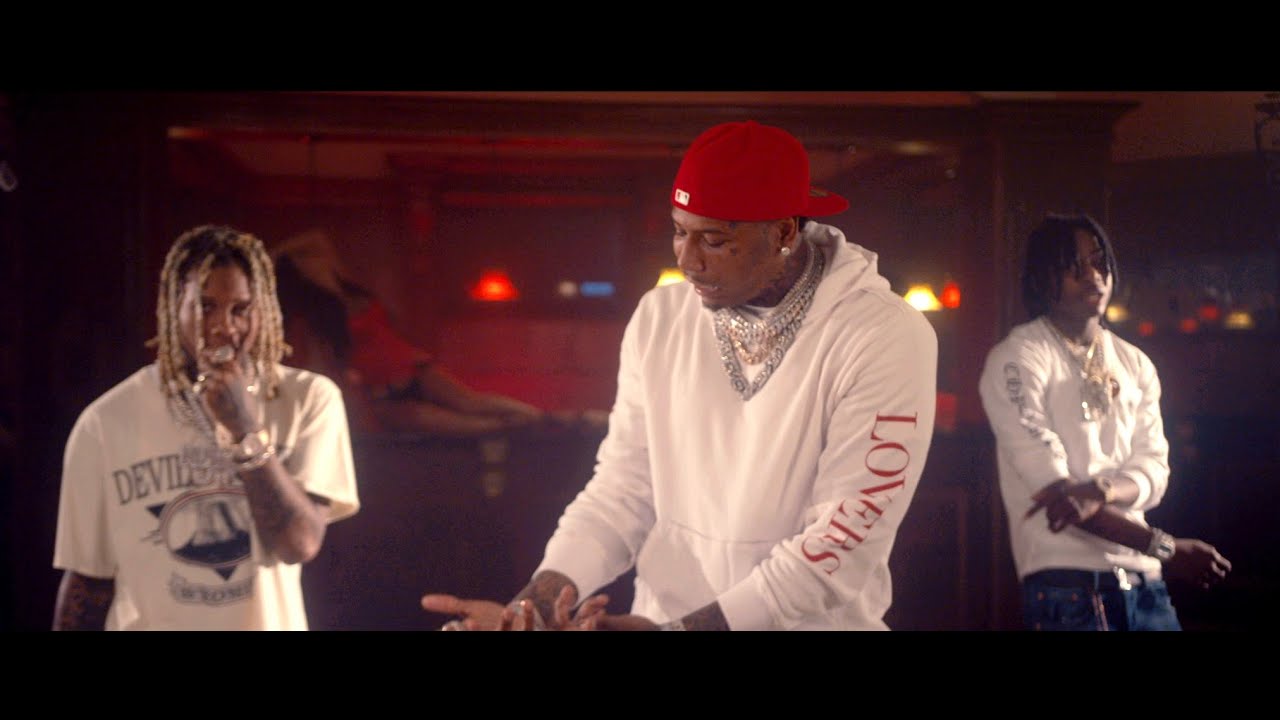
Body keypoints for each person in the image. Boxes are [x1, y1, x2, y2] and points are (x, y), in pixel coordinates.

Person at [422, 119, 939, 631]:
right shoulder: (661, 316)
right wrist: (527, 614)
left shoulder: (884, 334)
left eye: (713, 239)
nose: (688, 262)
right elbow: (623, 489)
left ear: (783, 231)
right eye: (679, 231)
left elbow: (840, 545)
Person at [52, 225, 360, 630]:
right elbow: (87, 585)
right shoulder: (104, 422)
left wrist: (244, 428)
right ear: (173, 306)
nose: (224, 327)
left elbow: (299, 544)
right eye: (206, 307)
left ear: (263, 310)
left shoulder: (310, 400)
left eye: (240, 309)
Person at [978, 213, 1231, 631]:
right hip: (1068, 586)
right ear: (1043, 277)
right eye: (1073, 266)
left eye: (1098, 262)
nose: (1093, 275)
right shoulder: (1017, 358)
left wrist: (1100, 490)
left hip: (1147, 586)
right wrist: (1166, 547)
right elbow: (1061, 498)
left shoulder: (1135, 363)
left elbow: (1155, 471)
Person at [271, 230, 549, 437]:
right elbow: (323, 367)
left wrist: (280, 254)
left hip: (411, 365)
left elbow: (316, 238)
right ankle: (537, 425)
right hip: (381, 394)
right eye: (304, 261)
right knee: (474, 427)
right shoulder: (314, 317)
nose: (314, 263)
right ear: (299, 274)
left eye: (313, 258)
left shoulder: (354, 292)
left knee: (472, 402)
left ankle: (547, 420)